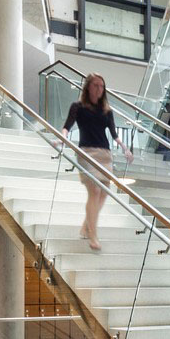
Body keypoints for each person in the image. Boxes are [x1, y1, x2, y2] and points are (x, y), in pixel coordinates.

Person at [62, 73, 133, 251]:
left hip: (104, 153)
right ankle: (93, 235)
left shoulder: (107, 110)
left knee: (104, 192)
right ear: (88, 87)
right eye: (95, 85)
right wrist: (61, 138)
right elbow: (67, 126)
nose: (99, 89)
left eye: (101, 86)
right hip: (86, 153)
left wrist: (125, 148)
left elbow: (114, 134)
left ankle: (86, 224)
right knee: (94, 190)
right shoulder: (77, 107)